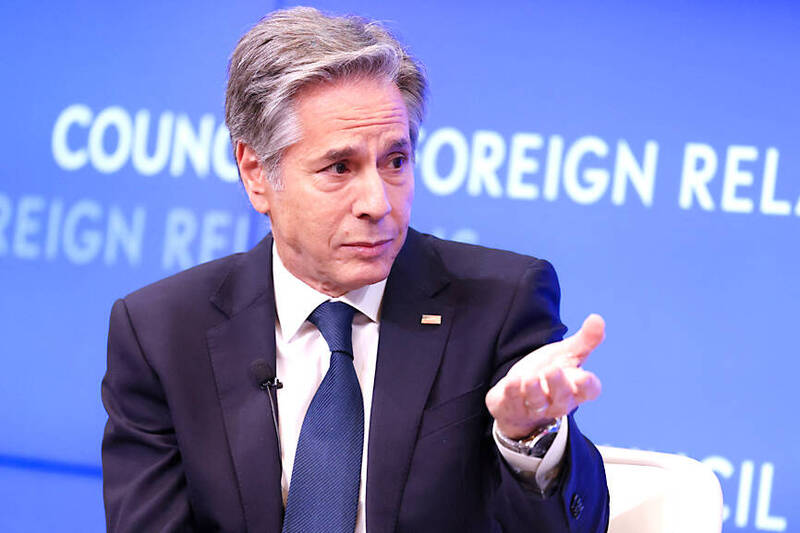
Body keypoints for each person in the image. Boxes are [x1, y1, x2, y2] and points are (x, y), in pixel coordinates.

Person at [101, 7, 609, 532]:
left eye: (395, 161)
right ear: (256, 173)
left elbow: (575, 524)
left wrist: (528, 439)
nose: (377, 202)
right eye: (339, 168)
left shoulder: (499, 304)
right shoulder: (162, 333)